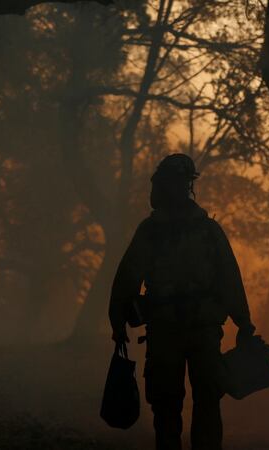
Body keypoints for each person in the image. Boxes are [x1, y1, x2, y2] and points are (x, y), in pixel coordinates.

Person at [108, 153, 256, 450]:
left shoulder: (155, 231)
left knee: (177, 404)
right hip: (192, 330)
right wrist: (243, 323)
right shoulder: (204, 231)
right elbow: (230, 279)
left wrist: (118, 320)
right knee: (193, 402)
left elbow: (126, 279)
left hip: (173, 330)